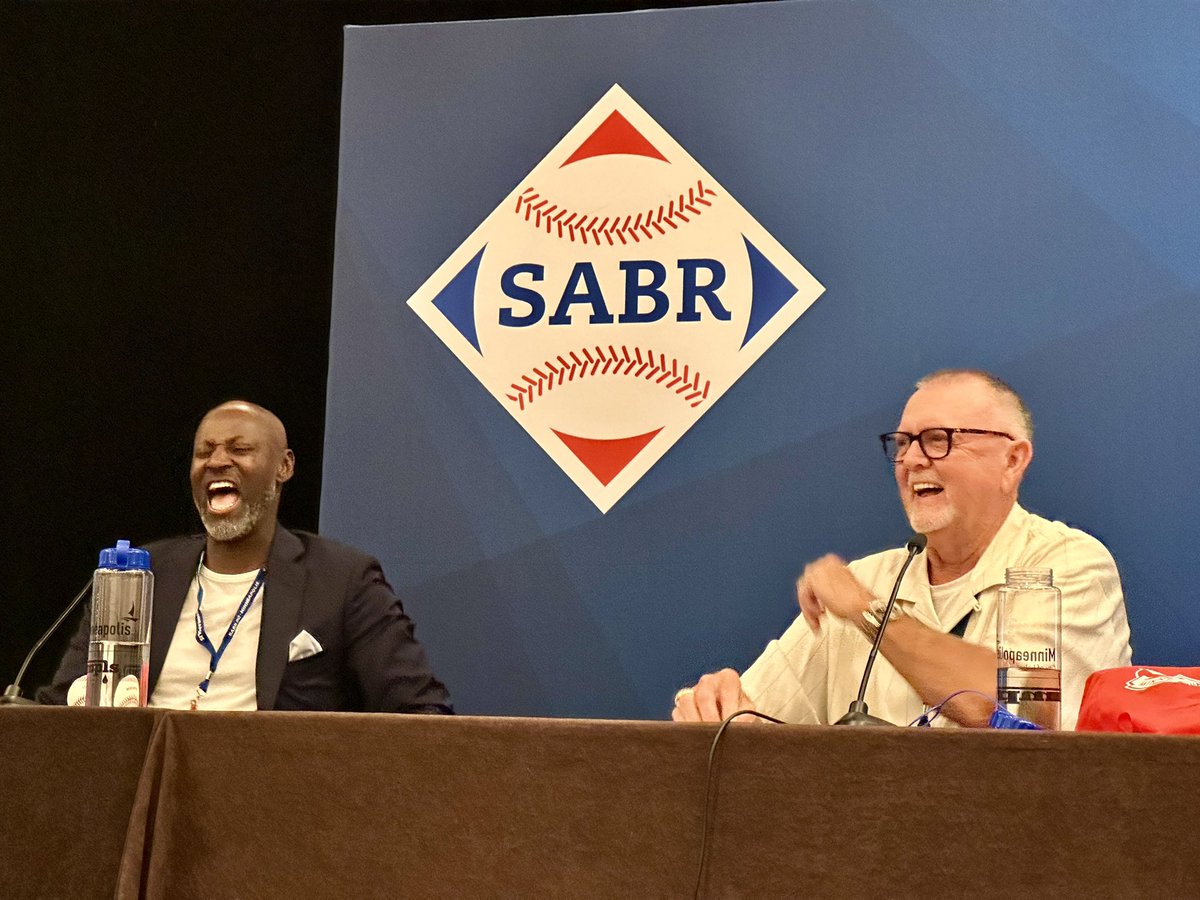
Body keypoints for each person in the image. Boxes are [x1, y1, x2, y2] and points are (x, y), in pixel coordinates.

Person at [672, 370, 1131, 729]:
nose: (912, 460)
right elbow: (759, 714)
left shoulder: (1065, 562)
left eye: (938, 440)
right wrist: (722, 708)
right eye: (904, 443)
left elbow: (1015, 708)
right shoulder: (868, 578)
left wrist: (866, 611)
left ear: (1012, 460)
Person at [40, 400, 452, 713]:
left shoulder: (342, 580)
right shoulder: (142, 573)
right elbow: (61, 705)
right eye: (205, 452)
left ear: (283, 467)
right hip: (139, 787)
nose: (218, 461)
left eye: (240, 449)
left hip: (268, 800)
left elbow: (420, 712)